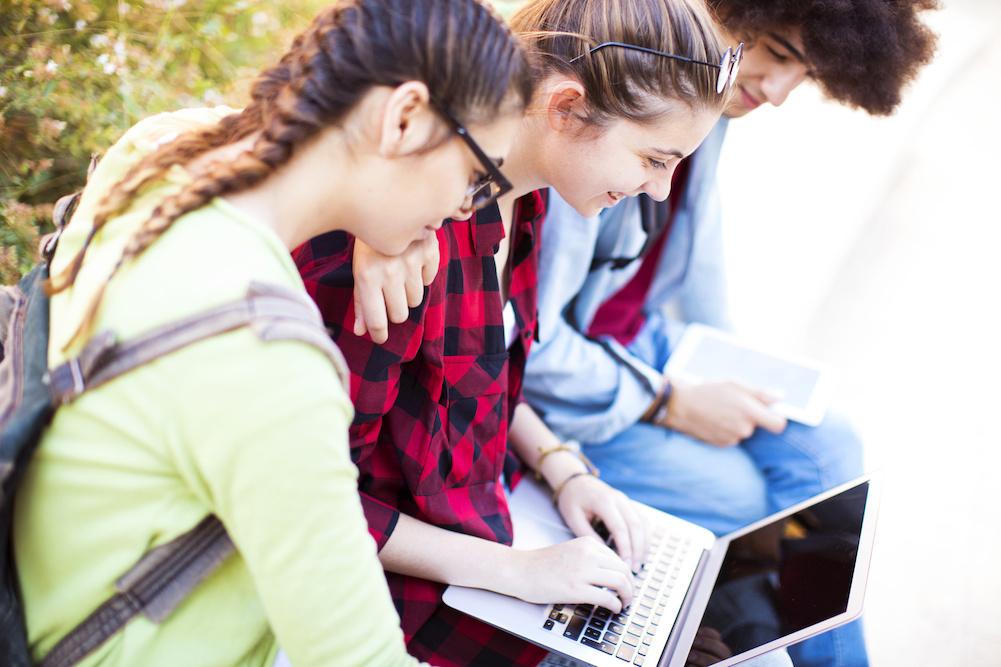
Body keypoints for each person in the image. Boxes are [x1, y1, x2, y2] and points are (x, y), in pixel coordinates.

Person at [12, 1, 534, 665]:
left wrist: (375, 219)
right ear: (402, 117)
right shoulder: (265, 357)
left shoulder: (158, 151)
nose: (465, 210)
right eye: (475, 177)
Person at [293, 1, 780, 666]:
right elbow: (308, 502)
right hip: (409, 602)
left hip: (494, 529)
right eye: (652, 157)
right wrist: (517, 572)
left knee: (731, 647)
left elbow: (480, 378)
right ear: (563, 107)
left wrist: (562, 467)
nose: (660, 192)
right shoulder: (396, 246)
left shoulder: (524, 203)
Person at [519, 1, 939, 666]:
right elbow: (531, 345)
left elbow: (698, 261)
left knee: (828, 437)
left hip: (640, 344)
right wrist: (670, 401)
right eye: (774, 51)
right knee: (746, 498)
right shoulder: (599, 123)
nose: (775, 93)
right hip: (580, 382)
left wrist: (736, 374)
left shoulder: (710, 108)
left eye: (802, 72)